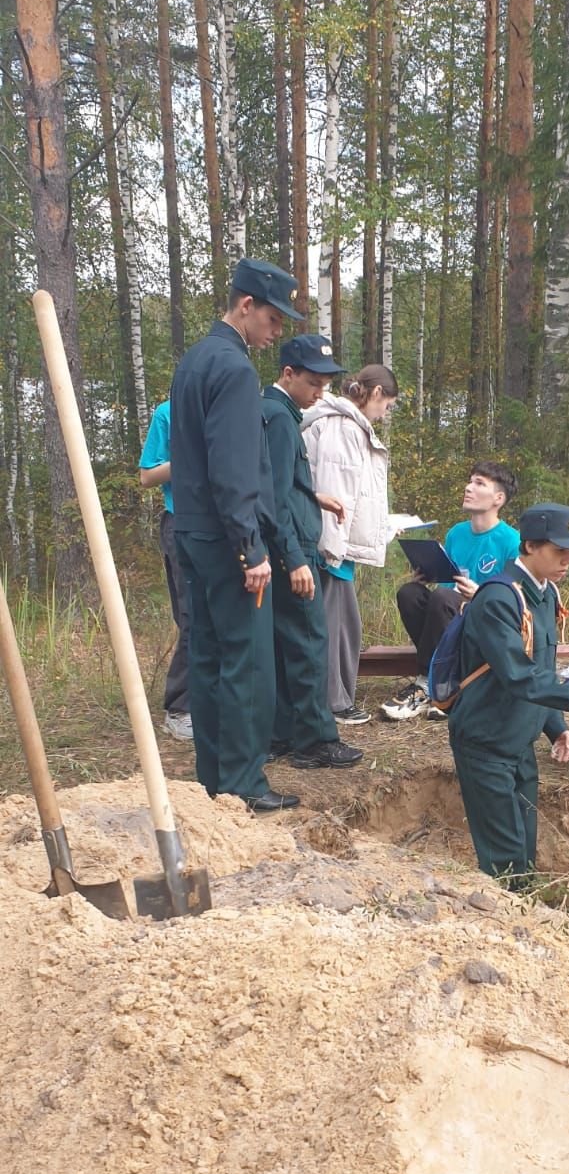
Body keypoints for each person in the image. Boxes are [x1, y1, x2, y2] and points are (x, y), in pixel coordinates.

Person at [446, 503, 569, 889]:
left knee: (525, 850)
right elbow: (519, 676)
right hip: (486, 742)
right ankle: (506, 934)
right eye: (559, 551)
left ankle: (524, 920)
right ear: (530, 546)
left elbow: (541, 669)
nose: (568, 560)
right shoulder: (498, 598)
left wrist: (556, 728)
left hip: (520, 742)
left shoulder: (545, 593)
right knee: (504, 860)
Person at [170, 257, 303, 815]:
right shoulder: (235, 368)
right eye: (273, 320)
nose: (276, 334)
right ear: (245, 306)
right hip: (229, 541)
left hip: (193, 531)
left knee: (207, 654)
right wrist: (252, 547)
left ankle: (212, 778)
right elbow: (234, 468)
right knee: (245, 660)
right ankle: (244, 783)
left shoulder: (194, 361)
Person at [262, 334, 363, 770]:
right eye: (314, 383)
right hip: (292, 549)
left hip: (288, 543)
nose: (321, 393)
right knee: (308, 641)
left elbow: (280, 482)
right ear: (288, 373)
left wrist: (315, 496)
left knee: (288, 642)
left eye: (326, 384)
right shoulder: (281, 418)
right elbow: (273, 497)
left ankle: (283, 732)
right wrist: (296, 559)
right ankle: (316, 740)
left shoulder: (275, 411)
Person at [381, 461, 521, 721]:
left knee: (443, 597)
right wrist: (428, 576)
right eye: (470, 480)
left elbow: (514, 597)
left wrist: (480, 593)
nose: (468, 487)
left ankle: (429, 683)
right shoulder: (457, 533)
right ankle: (436, 681)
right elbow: (447, 583)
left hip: (483, 623)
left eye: (479, 483)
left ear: (498, 498)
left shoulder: (511, 540)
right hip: (449, 617)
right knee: (410, 593)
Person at [301, 364, 398, 724]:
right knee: (336, 627)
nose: (385, 413)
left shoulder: (347, 424)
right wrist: (332, 549)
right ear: (374, 395)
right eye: (387, 405)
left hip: (338, 546)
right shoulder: (343, 426)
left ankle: (337, 699)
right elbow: (334, 492)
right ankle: (334, 703)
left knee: (344, 625)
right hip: (330, 548)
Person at [138, 399, 192, 742]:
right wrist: (191, 459)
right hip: (182, 523)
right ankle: (180, 707)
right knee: (192, 617)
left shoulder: (233, 405)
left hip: (228, 526)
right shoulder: (169, 412)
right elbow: (147, 475)